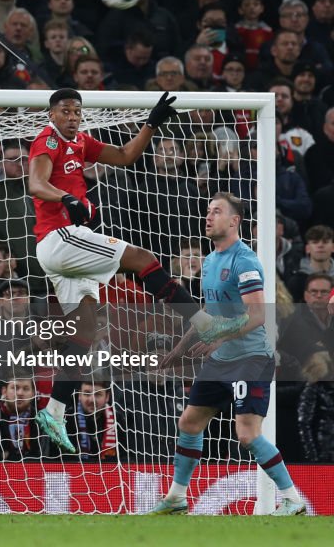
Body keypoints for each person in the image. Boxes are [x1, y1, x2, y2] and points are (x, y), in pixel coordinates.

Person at [26, 88, 247, 454]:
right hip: (60, 237)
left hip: (63, 246)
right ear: (51, 114)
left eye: (76, 111)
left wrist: (151, 124)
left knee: (84, 331)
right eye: (65, 111)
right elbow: (35, 182)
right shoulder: (46, 140)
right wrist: (65, 198)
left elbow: (127, 155)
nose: (72, 116)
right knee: (143, 259)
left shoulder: (80, 141)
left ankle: (54, 408)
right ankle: (204, 322)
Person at [153, 193, 306, 516]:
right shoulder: (210, 260)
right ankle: (177, 498)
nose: (208, 217)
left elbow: (257, 316)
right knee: (190, 422)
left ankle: (292, 498)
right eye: (208, 211)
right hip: (221, 358)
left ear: (234, 221)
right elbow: (208, 313)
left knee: (247, 434)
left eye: (217, 211)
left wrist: (218, 338)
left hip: (250, 359)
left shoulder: (245, 261)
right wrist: (180, 350)